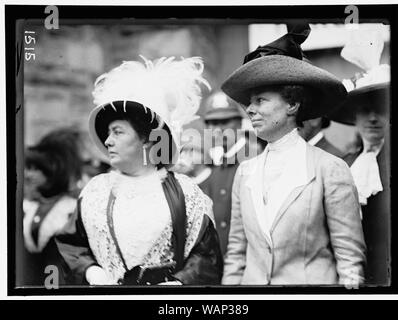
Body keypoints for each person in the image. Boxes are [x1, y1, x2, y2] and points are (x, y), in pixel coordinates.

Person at [56, 56, 223, 286]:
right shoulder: (94, 192)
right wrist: (91, 271)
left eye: (117, 132)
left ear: (146, 139)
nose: (107, 141)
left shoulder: (186, 193)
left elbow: (207, 257)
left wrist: (178, 285)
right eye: (108, 133)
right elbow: (71, 246)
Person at [220, 24, 366, 285]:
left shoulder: (330, 168)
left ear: (292, 104)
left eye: (260, 100)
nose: (250, 110)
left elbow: (349, 260)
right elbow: (236, 255)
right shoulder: (245, 171)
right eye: (249, 102)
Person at [330, 27, 391, 285]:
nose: (374, 118)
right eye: (366, 111)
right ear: (355, 117)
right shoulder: (347, 164)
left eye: (380, 109)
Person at [200, 90, 262, 256]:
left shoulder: (255, 158)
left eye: (225, 121)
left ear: (240, 123)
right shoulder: (210, 163)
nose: (218, 129)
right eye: (212, 123)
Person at [22, 127, 85, 286]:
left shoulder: (70, 208)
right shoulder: (29, 206)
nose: (29, 175)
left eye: (36, 169)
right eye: (28, 168)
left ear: (52, 172)